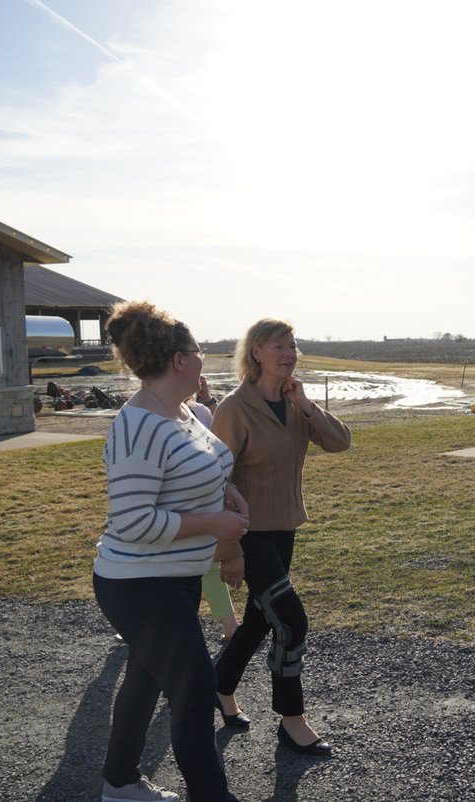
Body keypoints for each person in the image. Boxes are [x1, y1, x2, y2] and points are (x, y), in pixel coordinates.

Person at [94, 300, 249, 802]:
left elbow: (198, 465)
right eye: (199, 350)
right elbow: (134, 521)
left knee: (145, 680)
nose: (205, 357)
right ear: (179, 360)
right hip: (138, 584)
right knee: (195, 688)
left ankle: (119, 784)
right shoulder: (138, 425)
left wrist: (225, 490)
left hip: (173, 576)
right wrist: (214, 521)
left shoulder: (180, 411)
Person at [211, 318, 351, 757]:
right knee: (290, 621)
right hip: (248, 531)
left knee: (257, 621)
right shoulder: (234, 408)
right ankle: (292, 720)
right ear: (255, 352)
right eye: (278, 347)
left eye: (293, 346)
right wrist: (229, 550)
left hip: (284, 528)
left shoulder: (294, 403)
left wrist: (307, 406)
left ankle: (218, 688)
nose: (289, 354)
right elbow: (214, 480)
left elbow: (340, 443)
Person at [190, 377, 241, 642]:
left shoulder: (198, 411)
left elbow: (220, 440)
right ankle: (231, 626)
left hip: (200, 497)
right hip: (187, 500)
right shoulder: (152, 411)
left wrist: (206, 396)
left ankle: (231, 626)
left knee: (206, 565)